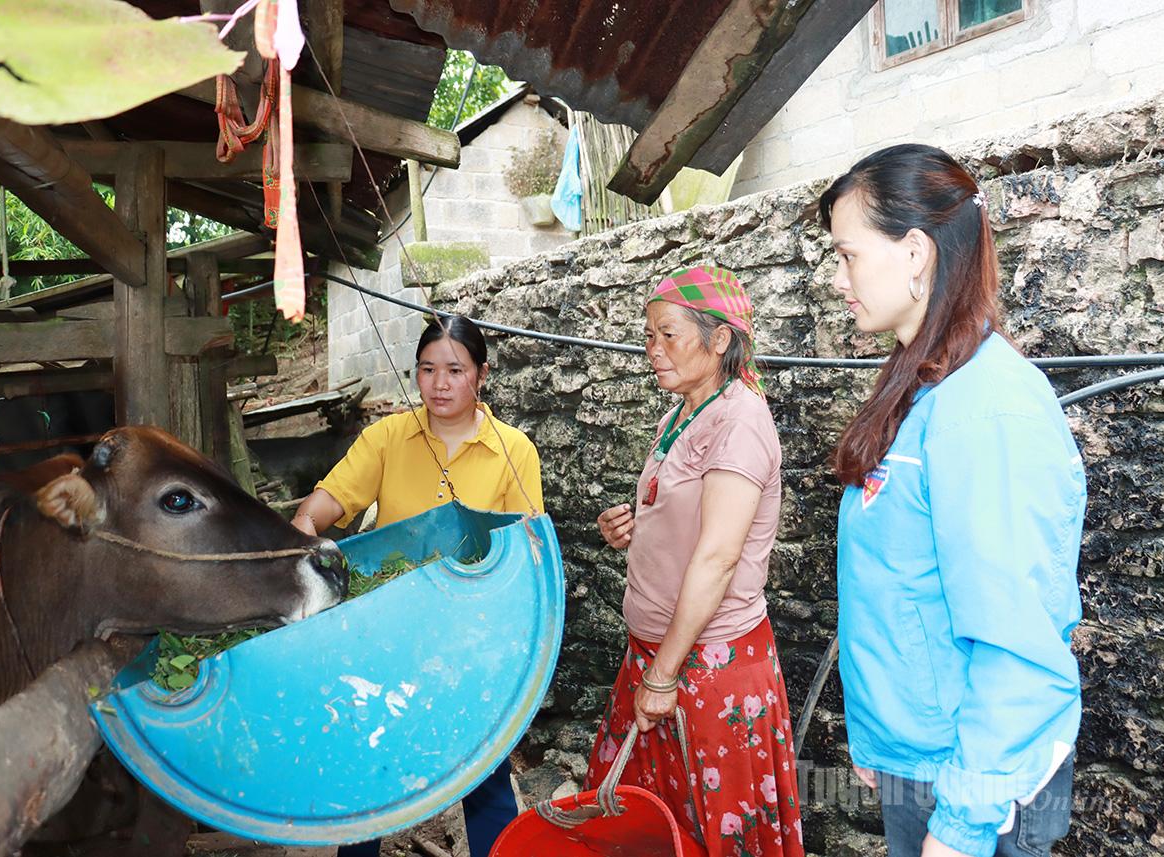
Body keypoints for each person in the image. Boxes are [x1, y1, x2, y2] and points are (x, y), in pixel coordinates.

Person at [819, 144, 1086, 857]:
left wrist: (962, 826)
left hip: (975, 782)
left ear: (914, 252)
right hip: (922, 760)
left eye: (847, 255)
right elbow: (899, 583)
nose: (837, 279)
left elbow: (1015, 638)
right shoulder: (922, 387)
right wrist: (880, 738)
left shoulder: (986, 407)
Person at [291, 314, 543, 857]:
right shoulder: (387, 438)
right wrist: (305, 526)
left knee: (483, 772)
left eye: (455, 370)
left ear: (482, 374)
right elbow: (329, 502)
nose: (439, 384)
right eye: (427, 370)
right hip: (386, 632)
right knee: (371, 766)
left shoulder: (514, 450)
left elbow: (524, 551)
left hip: (471, 636)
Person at [591, 266, 805, 857]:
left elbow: (717, 558)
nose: (652, 350)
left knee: (711, 829)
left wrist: (662, 676)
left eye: (668, 335)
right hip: (658, 656)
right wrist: (633, 528)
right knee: (656, 828)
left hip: (705, 668)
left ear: (719, 340)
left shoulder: (740, 422)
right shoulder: (682, 414)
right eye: (648, 336)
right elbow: (686, 518)